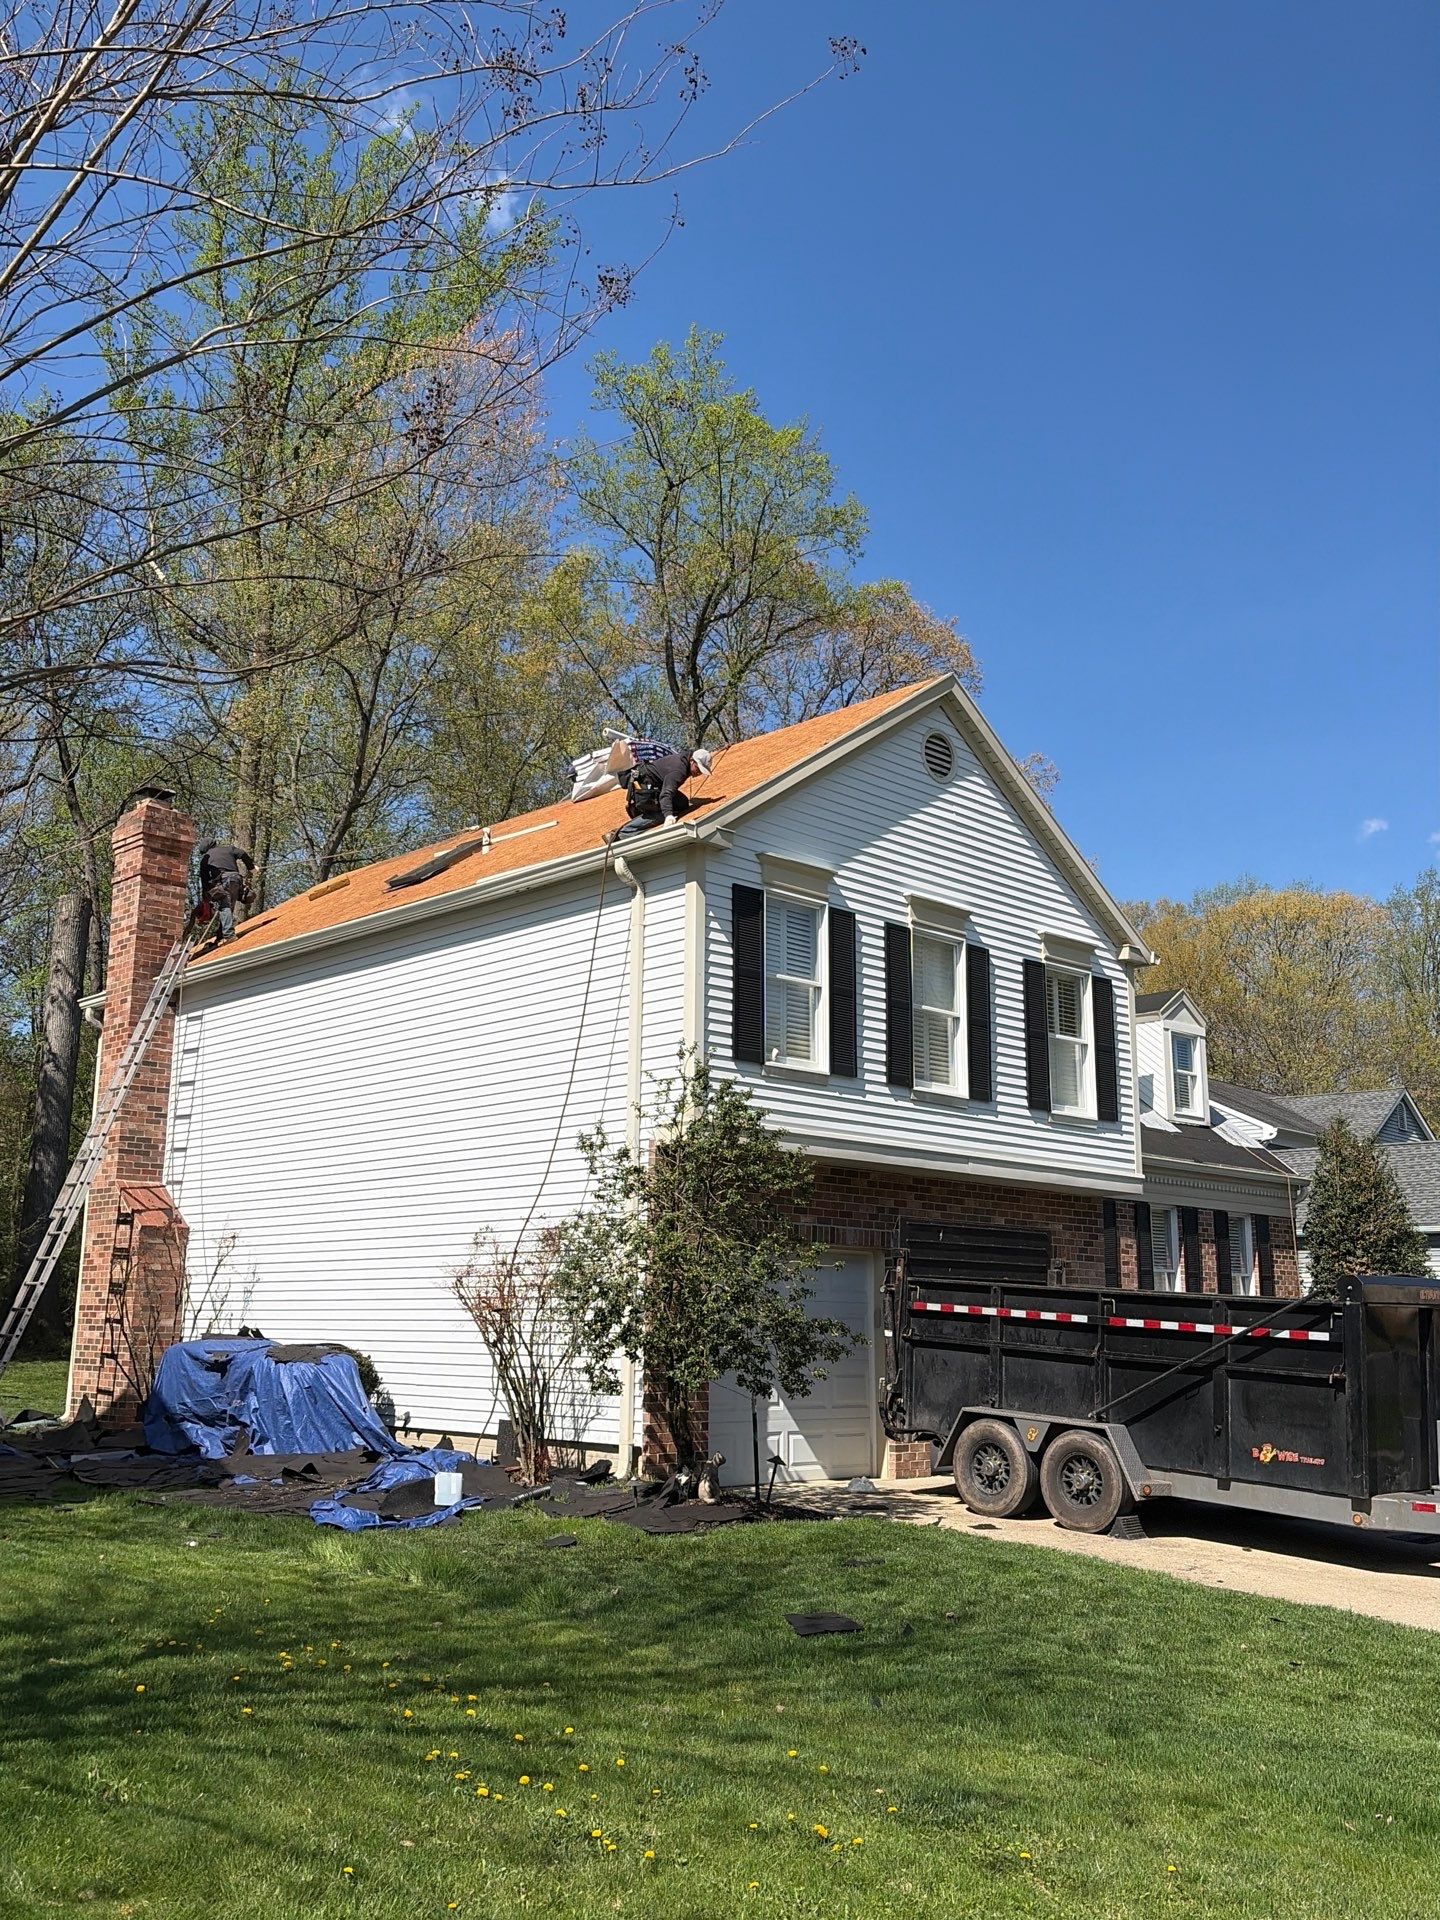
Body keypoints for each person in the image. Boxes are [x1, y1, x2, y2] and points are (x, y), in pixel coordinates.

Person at [615, 743, 712, 835]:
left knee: (682, 803)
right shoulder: (679, 770)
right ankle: (624, 832)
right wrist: (668, 815)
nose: (698, 773)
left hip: (655, 785)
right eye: (698, 768)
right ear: (692, 760)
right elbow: (666, 793)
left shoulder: (684, 761)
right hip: (645, 789)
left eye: (701, 771)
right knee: (663, 812)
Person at [194, 841, 255, 941]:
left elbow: (204, 879)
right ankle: (221, 935)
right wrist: (251, 868)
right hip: (236, 879)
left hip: (223, 881)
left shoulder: (206, 858)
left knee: (225, 906)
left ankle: (228, 935)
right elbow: (242, 854)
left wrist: (206, 897)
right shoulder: (229, 849)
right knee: (229, 906)